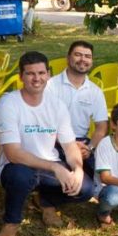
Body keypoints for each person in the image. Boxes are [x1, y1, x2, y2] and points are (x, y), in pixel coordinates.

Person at [0, 52, 94, 236]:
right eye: (30, 74)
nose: (36, 79)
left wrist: (78, 169)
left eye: (41, 73)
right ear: (20, 76)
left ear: (48, 74)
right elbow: (13, 153)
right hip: (17, 166)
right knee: (21, 176)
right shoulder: (8, 103)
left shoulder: (57, 105)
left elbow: (69, 145)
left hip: (47, 167)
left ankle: (46, 201)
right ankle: (11, 222)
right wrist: (56, 168)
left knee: (85, 189)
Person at [46, 40, 108, 174]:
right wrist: (69, 145)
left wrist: (90, 148)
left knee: (99, 174)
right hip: (53, 140)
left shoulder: (95, 91)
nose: (83, 60)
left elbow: (101, 127)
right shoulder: (51, 86)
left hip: (82, 143)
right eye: (78, 55)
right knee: (58, 176)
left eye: (87, 56)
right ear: (68, 58)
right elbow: (43, 123)